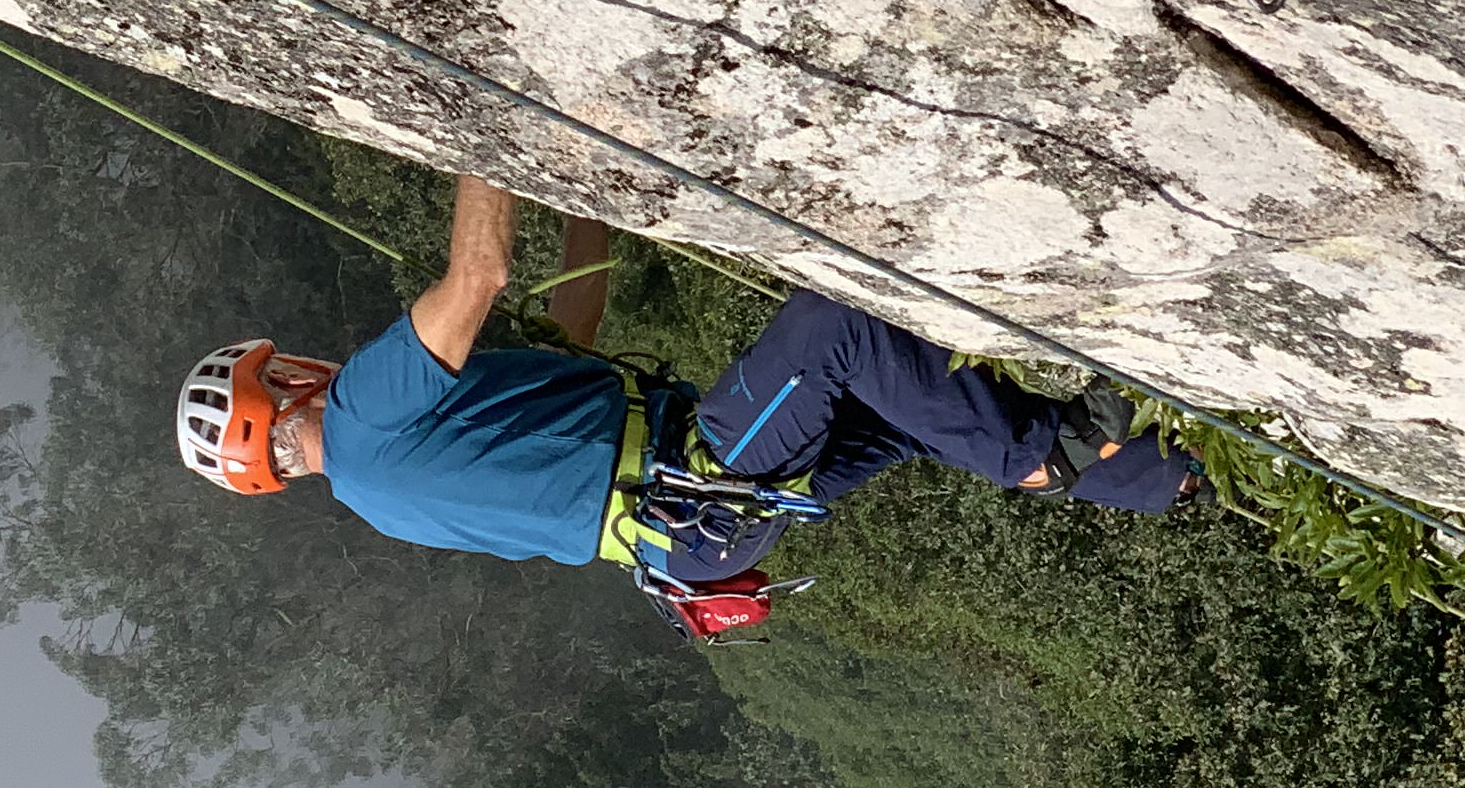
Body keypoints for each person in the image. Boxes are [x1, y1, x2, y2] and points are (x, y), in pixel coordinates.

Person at [171, 176, 1196, 635]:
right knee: (836, 327)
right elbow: (477, 275)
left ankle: (1169, 473)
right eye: (280, 370)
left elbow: (568, 342)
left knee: (902, 406)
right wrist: (484, 133)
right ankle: (1035, 454)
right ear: (279, 394)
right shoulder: (360, 409)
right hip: (694, 485)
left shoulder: (376, 496)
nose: (300, 363)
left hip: (692, 536)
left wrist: (577, 204)